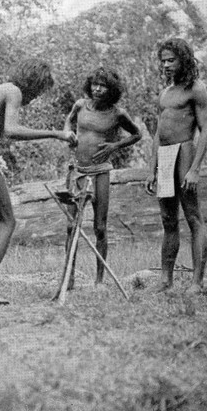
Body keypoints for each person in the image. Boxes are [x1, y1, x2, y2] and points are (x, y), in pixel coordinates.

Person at [0, 58, 77, 304]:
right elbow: (11, 130)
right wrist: (56, 133)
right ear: (34, 84)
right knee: (7, 220)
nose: (35, 97)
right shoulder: (14, 91)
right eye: (39, 91)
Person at [62, 67, 142, 288]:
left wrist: (114, 146)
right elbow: (68, 122)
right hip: (77, 169)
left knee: (100, 227)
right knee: (71, 226)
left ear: (111, 90)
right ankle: (68, 278)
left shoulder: (117, 114)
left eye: (103, 86)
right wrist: (68, 133)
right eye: (95, 84)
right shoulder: (80, 105)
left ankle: (99, 280)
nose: (98, 89)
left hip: (101, 171)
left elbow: (137, 134)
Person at [145, 38, 207, 294]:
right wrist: (151, 168)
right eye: (163, 60)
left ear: (183, 60)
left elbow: (206, 130)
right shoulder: (165, 92)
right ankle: (165, 280)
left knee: (193, 217)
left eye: (171, 60)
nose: (166, 65)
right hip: (165, 155)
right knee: (168, 220)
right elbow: (158, 134)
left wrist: (195, 169)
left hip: (185, 152)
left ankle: (197, 282)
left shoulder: (196, 89)